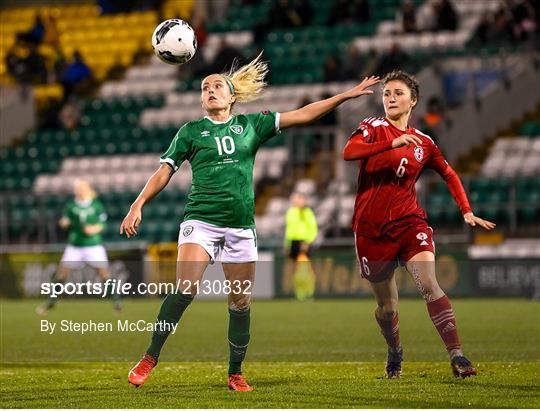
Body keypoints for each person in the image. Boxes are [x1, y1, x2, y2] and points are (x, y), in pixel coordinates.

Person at [120, 54, 379, 391]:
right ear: (201, 99)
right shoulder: (190, 131)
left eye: (217, 86)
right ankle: (150, 357)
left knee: (240, 302)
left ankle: (235, 372)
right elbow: (165, 171)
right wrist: (138, 203)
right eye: (205, 87)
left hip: (241, 227)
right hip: (201, 220)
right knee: (186, 289)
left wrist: (345, 95)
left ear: (232, 96)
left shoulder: (252, 126)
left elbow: (301, 115)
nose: (210, 90)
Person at [342, 70, 495, 379]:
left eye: (398, 93)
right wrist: (390, 143)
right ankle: (395, 351)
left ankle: (458, 355)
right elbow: (349, 152)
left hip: (410, 223)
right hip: (371, 230)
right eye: (387, 94)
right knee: (388, 308)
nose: (390, 98)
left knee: (429, 284)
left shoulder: (424, 142)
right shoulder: (372, 127)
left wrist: (466, 210)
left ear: (413, 101)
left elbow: (449, 174)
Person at [36, 179, 120, 315]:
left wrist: (94, 229)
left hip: (93, 245)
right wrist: (64, 223)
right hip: (75, 245)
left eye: (81, 187)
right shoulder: (71, 205)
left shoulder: (96, 205)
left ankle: (117, 303)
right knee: (62, 274)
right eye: (77, 188)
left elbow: (102, 224)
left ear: (87, 188)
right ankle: (50, 303)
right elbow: (65, 221)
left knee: (105, 274)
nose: (78, 190)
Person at [284, 193, 318, 301]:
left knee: (306, 270)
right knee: (296, 270)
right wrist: (287, 244)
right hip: (293, 242)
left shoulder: (307, 212)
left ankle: (309, 294)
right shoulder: (291, 212)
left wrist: (307, 242)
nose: (297, 201)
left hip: (304, 242)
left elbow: (313, 228)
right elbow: (289, 230)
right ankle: (299, 295)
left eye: (299, 199)